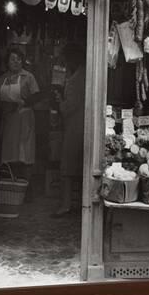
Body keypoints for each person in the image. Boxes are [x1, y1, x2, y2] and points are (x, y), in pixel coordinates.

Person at [0, 47, 41, 199]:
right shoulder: (3, 78)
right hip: (8, 120)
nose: (16, 62)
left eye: (19, 59)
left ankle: (27, 189)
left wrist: (23, 102)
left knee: (25, 154)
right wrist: (3, 106)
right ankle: (11, 187)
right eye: (12, 59)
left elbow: (36, 96)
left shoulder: (28, 77)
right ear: (7, 62)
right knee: (9, 153)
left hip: (24, 118)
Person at [53, 43, 86, 217]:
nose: (64, 64)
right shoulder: (83, 74)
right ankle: (81, 204)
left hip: (75, 127)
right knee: (80, 166)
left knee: (67, 167)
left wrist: (59, 101)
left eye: (65, 60)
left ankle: (65, 205)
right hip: (82, 126)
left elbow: (67, 108)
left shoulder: (75, 80)